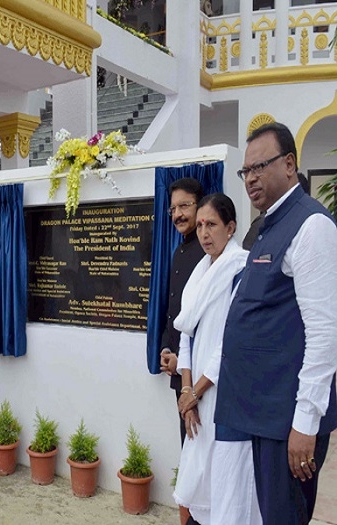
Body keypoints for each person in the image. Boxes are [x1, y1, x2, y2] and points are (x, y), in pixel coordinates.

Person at [216, 122, 337, 525]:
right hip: (262, 414)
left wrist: (305, 423)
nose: (250, 178)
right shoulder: (268, 226)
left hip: (286, 421)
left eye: (259, 167)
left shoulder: (311, 226)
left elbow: (324, 334)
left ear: (288, 164)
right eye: (245, 171)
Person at [172, 193, 260, 524]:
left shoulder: (240, 270)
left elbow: (229, 342)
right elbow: (186, 333)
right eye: (200, 226)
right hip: (196, 395)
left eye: (212, 224)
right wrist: (186, 391)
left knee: (224, 480)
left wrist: (197, 391)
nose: (204, 233)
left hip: (223, 392)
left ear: (231, 227)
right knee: (198, 479)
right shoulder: (200, 273)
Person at [159, 178, 205, 448]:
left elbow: (207, 322)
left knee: (199, 445)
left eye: (184, 206)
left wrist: (182, 360)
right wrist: (167, 348)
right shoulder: (179, 250)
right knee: (187, 445)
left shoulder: (207, 253)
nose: (178, 214)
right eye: (173, 209)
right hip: (178, 369)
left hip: (198, 376)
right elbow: (173, 308)